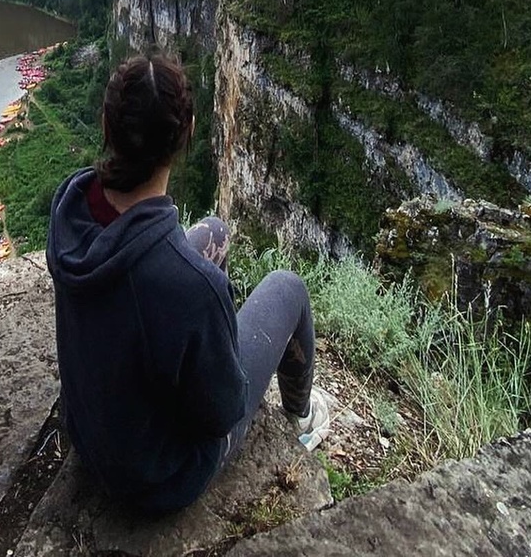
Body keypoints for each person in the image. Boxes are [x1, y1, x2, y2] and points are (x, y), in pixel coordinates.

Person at [46, 52, 330, 515]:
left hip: (87, 431)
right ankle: (299, 419)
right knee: (288, 288)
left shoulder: (70, 207)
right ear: (188, 132)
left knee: (216, 230)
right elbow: (223, 410)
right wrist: (215, 335)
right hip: (155, 478)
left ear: (106, 122)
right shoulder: (193, 287)